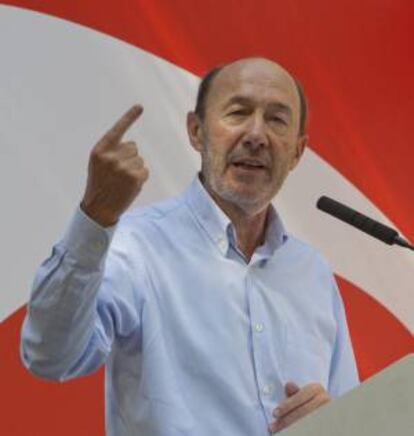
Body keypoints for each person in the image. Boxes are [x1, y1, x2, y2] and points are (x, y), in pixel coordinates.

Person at [21, 57, 359, 435]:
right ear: (196, 131)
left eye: (277, 120)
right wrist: (95, 216)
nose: (256, 135)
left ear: (297, 152)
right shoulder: (137, 247)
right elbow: (49, 356)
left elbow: (358, 419)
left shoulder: (311, 271)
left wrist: (333, 421)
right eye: (238, 112)